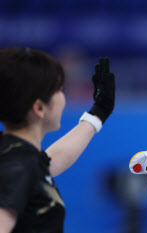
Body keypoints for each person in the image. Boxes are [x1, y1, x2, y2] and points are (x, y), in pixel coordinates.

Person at [0, 47, 115, 233]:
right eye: (59, 90)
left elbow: (51, 160)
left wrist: (99, 113)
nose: (63, 97)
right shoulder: (17, 167)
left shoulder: (19, 157)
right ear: (39, 107)